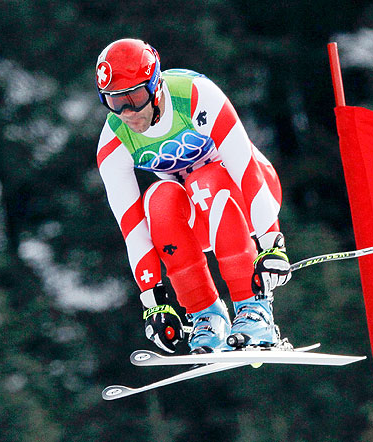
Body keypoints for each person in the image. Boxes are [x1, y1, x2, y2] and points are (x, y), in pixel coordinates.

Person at [95, 38, 291, 354]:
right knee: (158, 197)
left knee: (206, 177)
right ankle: (206, 316)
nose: (128, 112)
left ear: (155, 85)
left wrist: (273, 244)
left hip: (253, 197)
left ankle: (255, 311)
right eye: (115, 102)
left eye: (135, 96)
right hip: (199, 217)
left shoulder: (196, 95)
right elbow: (132, 229)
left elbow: (246, 170)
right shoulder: (113, 143)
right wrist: (154, 300)